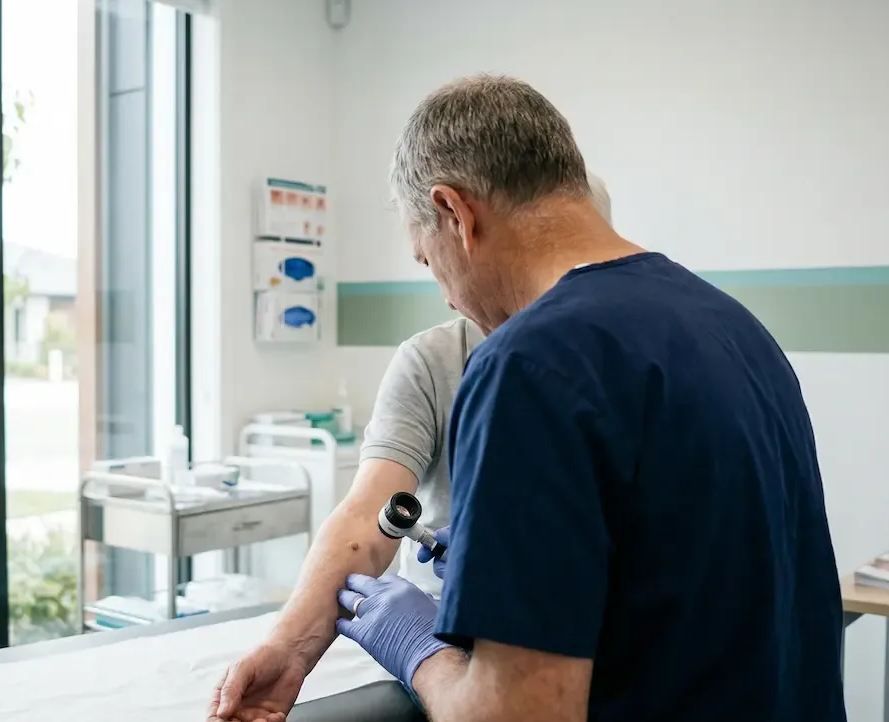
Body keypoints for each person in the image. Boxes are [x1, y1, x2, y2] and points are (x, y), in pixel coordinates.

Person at [327, 75, 848, 722]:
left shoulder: (527, 364)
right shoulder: (736, 330)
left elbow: (511, 717)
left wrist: (415, 647)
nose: (447, 298)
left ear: (455, 214)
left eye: (427, 263)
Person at [206, 175, 612, 722]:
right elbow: (369, 516)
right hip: (444, 648)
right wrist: (289, 650)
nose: (445, 291)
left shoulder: (609, 363)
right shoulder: (435, 360)